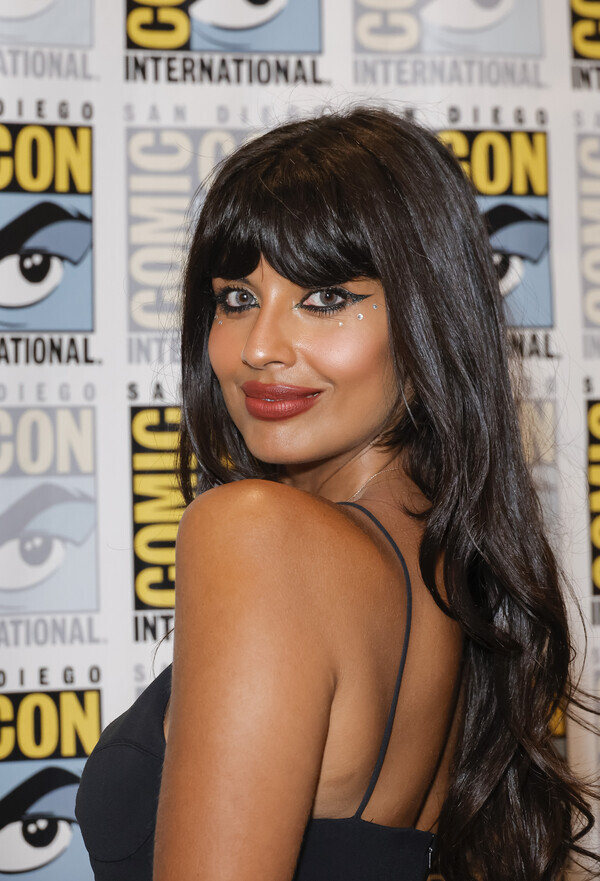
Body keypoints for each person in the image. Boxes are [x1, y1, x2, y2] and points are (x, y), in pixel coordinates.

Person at [75, 106, 599, 881]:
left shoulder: (257, 533)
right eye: (236, 297)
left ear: (429, 319)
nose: (259, 347)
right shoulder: (440, 572)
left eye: (325, 298)